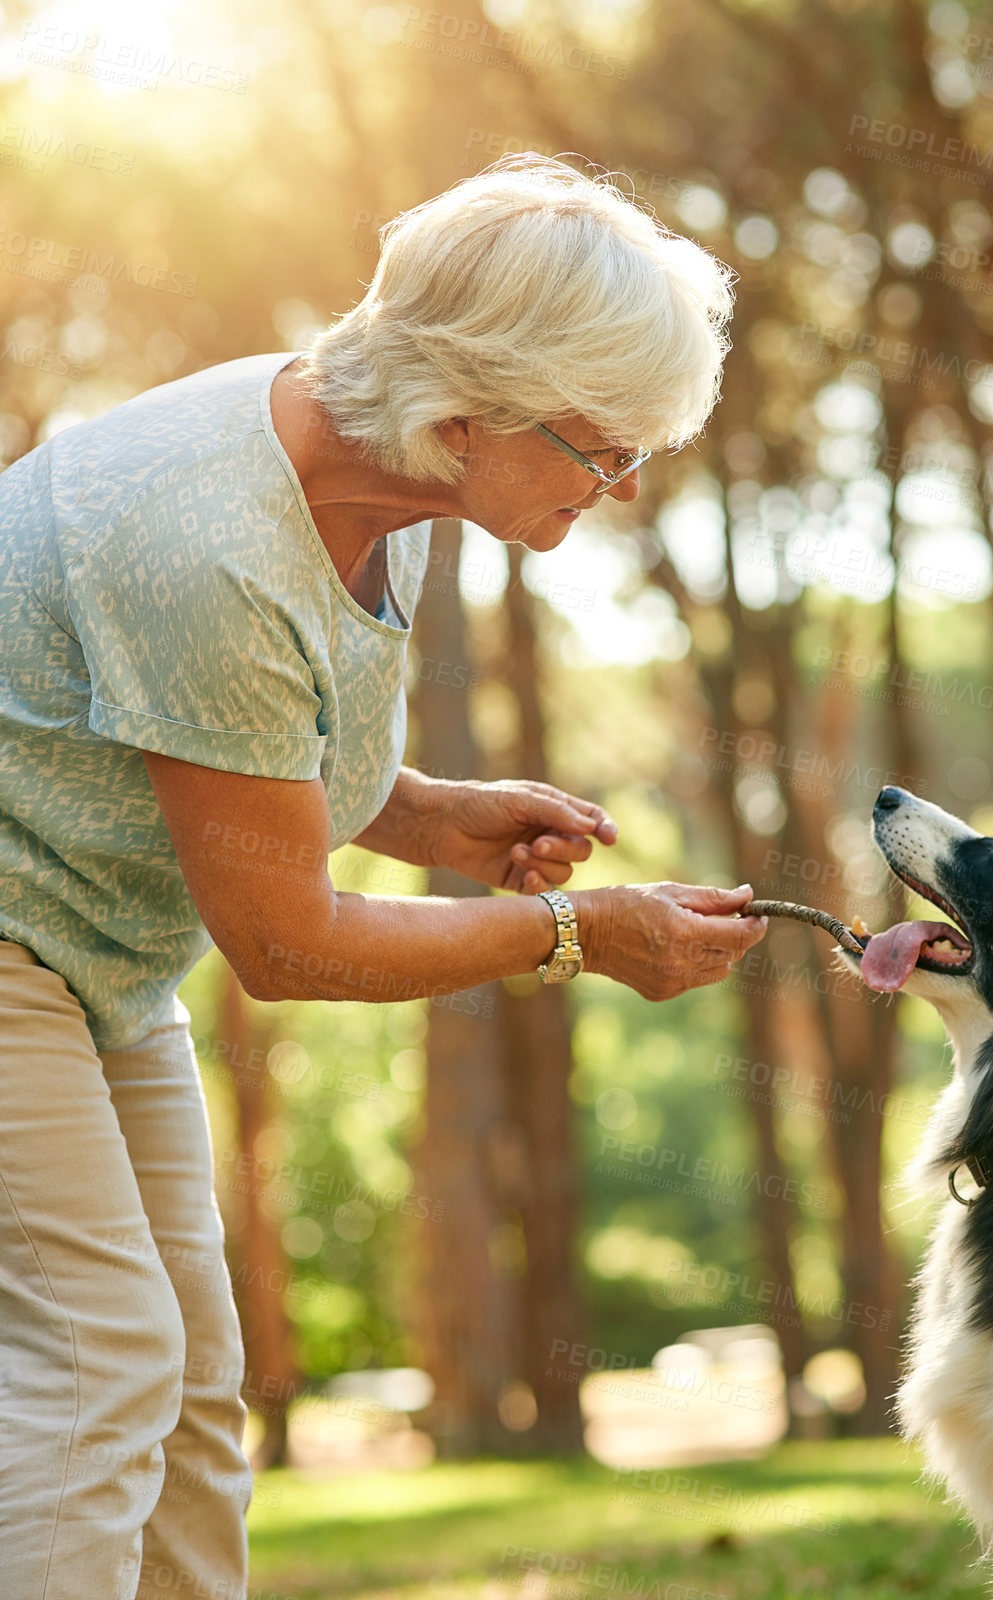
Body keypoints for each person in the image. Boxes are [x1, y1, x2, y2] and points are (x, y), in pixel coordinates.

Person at [0, 154, 768, 1599]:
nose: (615, 488)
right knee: (101, 1356)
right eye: (598, 449)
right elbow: (285, 945)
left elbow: (219, 750)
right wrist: (566, 934)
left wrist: (426, 814)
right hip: (10, 941)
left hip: (97, 954)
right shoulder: (206, 534)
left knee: (186, 1385)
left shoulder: (377, 483)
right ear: (463, 409)